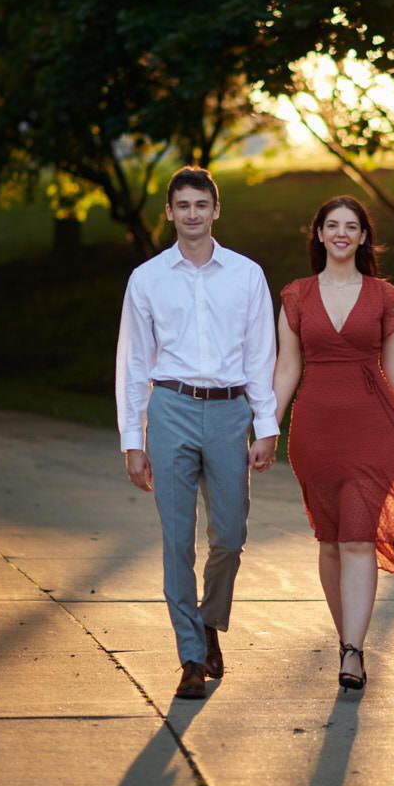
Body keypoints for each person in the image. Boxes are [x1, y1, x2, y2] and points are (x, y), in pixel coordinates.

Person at [115, 167, 278, 700]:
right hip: (171, 409)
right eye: (181, 205)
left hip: (230, 412)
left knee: (230, 536)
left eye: (200, 205)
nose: (191, 214)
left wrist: (266, 424)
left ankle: (209, 620)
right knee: (176, 540)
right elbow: (134, 363)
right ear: (169, 212)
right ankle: (190, 655)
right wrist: (132, 439)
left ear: (214, 209)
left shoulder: (247, 276)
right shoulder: (147, 279)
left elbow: (261, 356)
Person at [273, 196, 394, 692]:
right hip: (316, 434)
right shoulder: (296, 297)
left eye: (352, 226)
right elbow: (286, 368)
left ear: (363, 237)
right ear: (320, 235)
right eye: (333, 225)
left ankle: (353, 650)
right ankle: (345, 635)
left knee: (356, 538)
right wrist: (267, 428)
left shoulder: (385, 297)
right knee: (330, 540)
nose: (342, 233)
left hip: (374, 430)